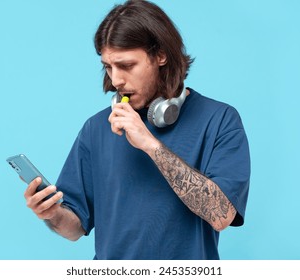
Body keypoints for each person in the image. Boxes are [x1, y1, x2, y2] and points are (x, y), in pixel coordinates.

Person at [24, 0, 250, 260]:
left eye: (127, 66)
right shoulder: (96, 128)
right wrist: (51, 214)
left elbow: (221, 215)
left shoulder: (220, 119)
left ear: (161, 55)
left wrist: (150, 145)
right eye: (108, 66)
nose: (116, 79)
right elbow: (75, 228)